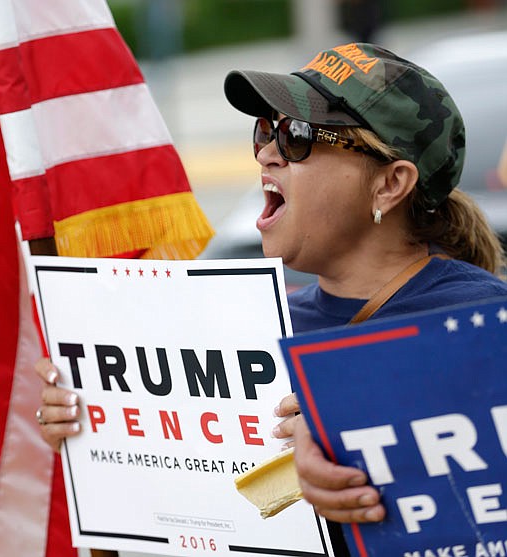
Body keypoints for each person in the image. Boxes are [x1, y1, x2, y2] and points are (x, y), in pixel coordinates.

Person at [35, 41, 507, 555]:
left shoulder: (482, 325)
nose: (267, 152)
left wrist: (373, 427)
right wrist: (99, 434)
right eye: (266, 130)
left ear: (390, 184)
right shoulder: (253, 325)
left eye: (297, 136)